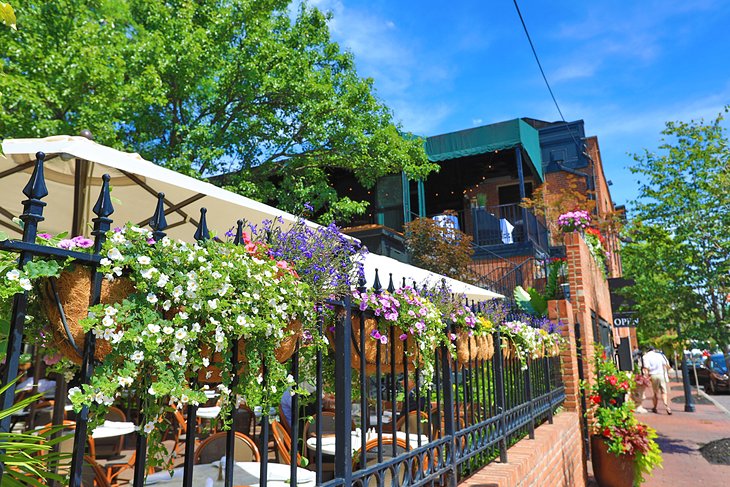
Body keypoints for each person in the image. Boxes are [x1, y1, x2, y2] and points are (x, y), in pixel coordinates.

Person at [642, 346, 672, 415]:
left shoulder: (646, 356)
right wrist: (667, 373)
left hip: (653, 375)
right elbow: (666, 365)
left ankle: (655, 407)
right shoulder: (660, 355)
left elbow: (646, 368)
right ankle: (667, 406)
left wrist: (646, 377)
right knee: (664, 392)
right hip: (661, 375)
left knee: (655, 393)